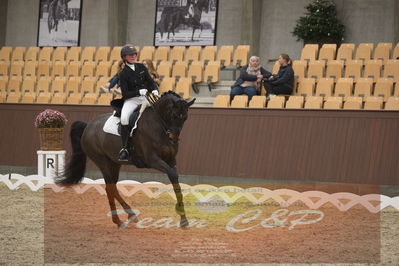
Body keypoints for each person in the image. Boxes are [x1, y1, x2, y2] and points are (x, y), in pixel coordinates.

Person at [117, 45, 159, 162]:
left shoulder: (141, 67)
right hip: (132, 100)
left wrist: (155, 89)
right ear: (124, 57)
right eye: (130, 55)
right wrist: (138, 92)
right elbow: (125, 94)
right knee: (124, 118)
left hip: (145, 98)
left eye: (135, 54)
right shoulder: (123, 73)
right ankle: (125, 148)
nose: (133, 56)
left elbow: (150, 82)